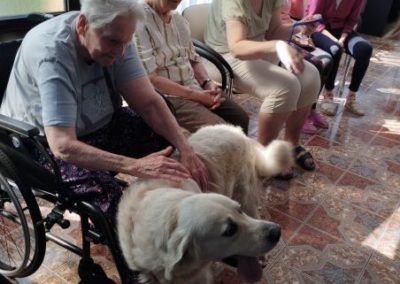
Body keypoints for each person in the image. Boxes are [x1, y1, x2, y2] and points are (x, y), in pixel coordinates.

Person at [0, 0, 208, 282]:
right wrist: (136, 165)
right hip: (41, 146)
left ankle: (177, 220)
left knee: (169, 136)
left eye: (126, 42)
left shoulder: (117, 33)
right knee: (117, 201)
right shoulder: (53, 52)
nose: (120, 52)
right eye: (112, 42)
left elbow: (148, 102)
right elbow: (62, 145)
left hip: (100, 125)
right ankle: (138, 267)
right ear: (83, 25)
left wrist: (186, 148)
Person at [205, 0, 321, 175]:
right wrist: (277, 46)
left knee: (311, 75)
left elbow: (273, 32)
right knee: (286, 86)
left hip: (257, 49)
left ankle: (291, 144)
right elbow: (237, 47)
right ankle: (263, 154)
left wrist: (300, 27)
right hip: (224, 56)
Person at [134, 0, 249, 134]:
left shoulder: (178, 20)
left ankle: (235, 153)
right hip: (167, 96)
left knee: (240, 118)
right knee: (223, 134)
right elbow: (151, 79)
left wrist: (207, 83)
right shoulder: (138, 20)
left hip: (194, 87)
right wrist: (197, 96)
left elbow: (194, 59)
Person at [307, 0, 373, 116]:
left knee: (365, 49)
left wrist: (342, 39)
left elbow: (352, 20)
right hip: (319, 30)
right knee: (335, 50)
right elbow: (314, 20)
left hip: (342, 32)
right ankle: (328, 95)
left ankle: (351, 97)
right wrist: (335, 41)